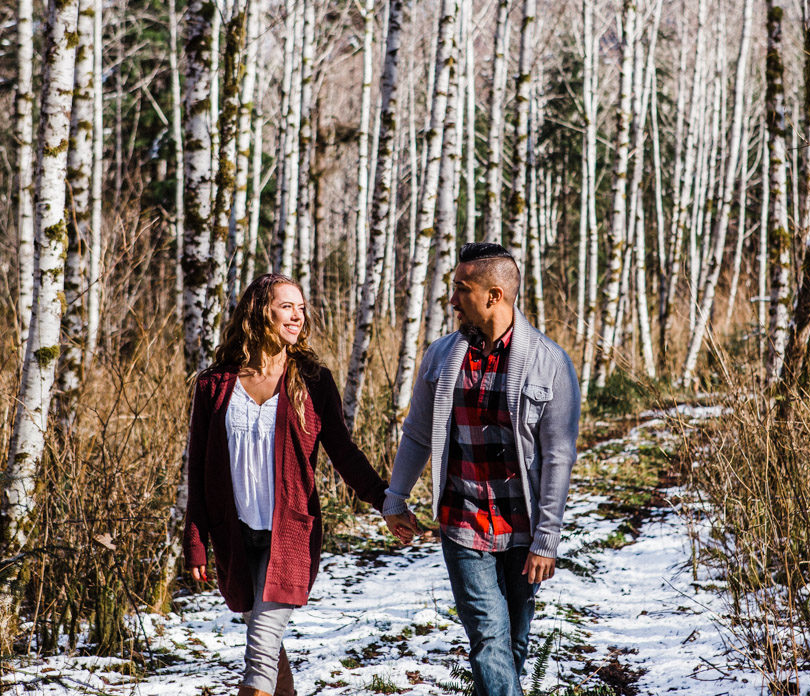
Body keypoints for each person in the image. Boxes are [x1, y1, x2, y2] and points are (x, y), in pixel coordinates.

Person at [383, 242, 581, 696]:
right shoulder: (441, 357)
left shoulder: (549, 362)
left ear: (494, 295)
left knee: (511, 643)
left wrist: (547, 540)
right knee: (488, 642)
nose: (452, 300)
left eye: (461, 289)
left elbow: (558, 458)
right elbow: (417, 434)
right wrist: (396, 497)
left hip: (523, 529)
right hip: (463, 521)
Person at [183, 273, 389, 696]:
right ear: (260, 312)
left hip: (290, 535)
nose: (298, 316)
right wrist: (196, 539)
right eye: (286, 307)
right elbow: (199, 469)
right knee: (268, 649)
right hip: (233, 536)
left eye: (301, 307)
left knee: (258, 658)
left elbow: (343, 452)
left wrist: (386, 500)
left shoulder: (311, 381)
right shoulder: (214, 385)